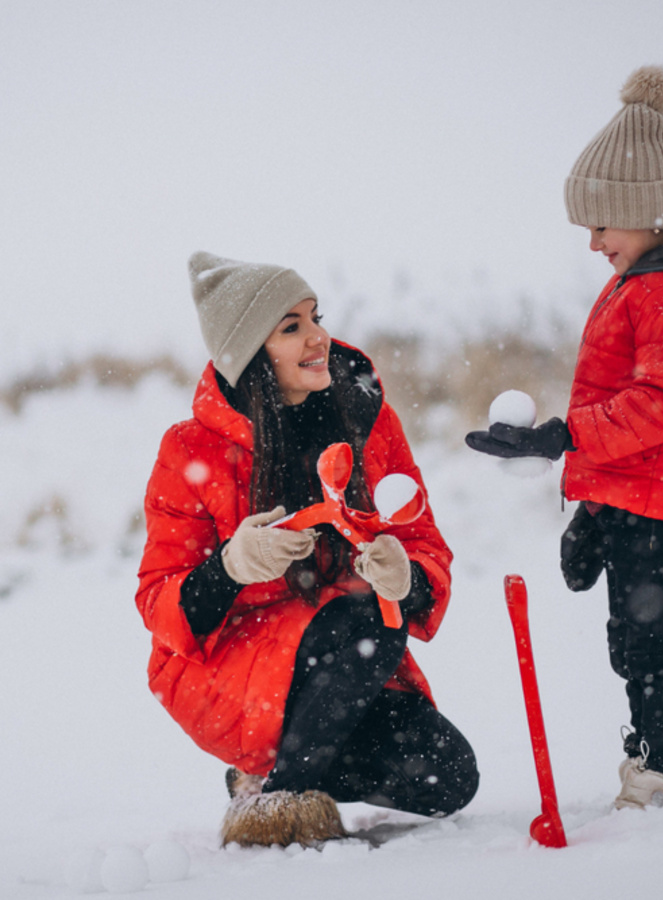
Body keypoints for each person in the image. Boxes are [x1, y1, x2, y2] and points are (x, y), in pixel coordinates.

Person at [465, 66, 663, 810]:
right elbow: (635, 416)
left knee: (650, 644)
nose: (594, 242)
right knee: (632, 642)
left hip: (660, 504)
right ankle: (647, 751)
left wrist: (560, 439)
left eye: (602, 224)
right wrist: (593, 506)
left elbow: (659, 407)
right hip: (636, 495)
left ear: (651, 211)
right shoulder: (655, 280)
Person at [137, 251, 479, 847]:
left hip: (347, 660)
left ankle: (278, 769)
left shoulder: (366, 420)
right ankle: (281, 806)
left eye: (315, 316)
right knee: (371, 617)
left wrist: (408, 576)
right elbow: (159, 605)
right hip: (230, 669)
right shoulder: (191, 449)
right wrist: (230, 567)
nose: (319, 336)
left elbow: (423, 543)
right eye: (291, 327)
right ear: (249, 353)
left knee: (447, 775)